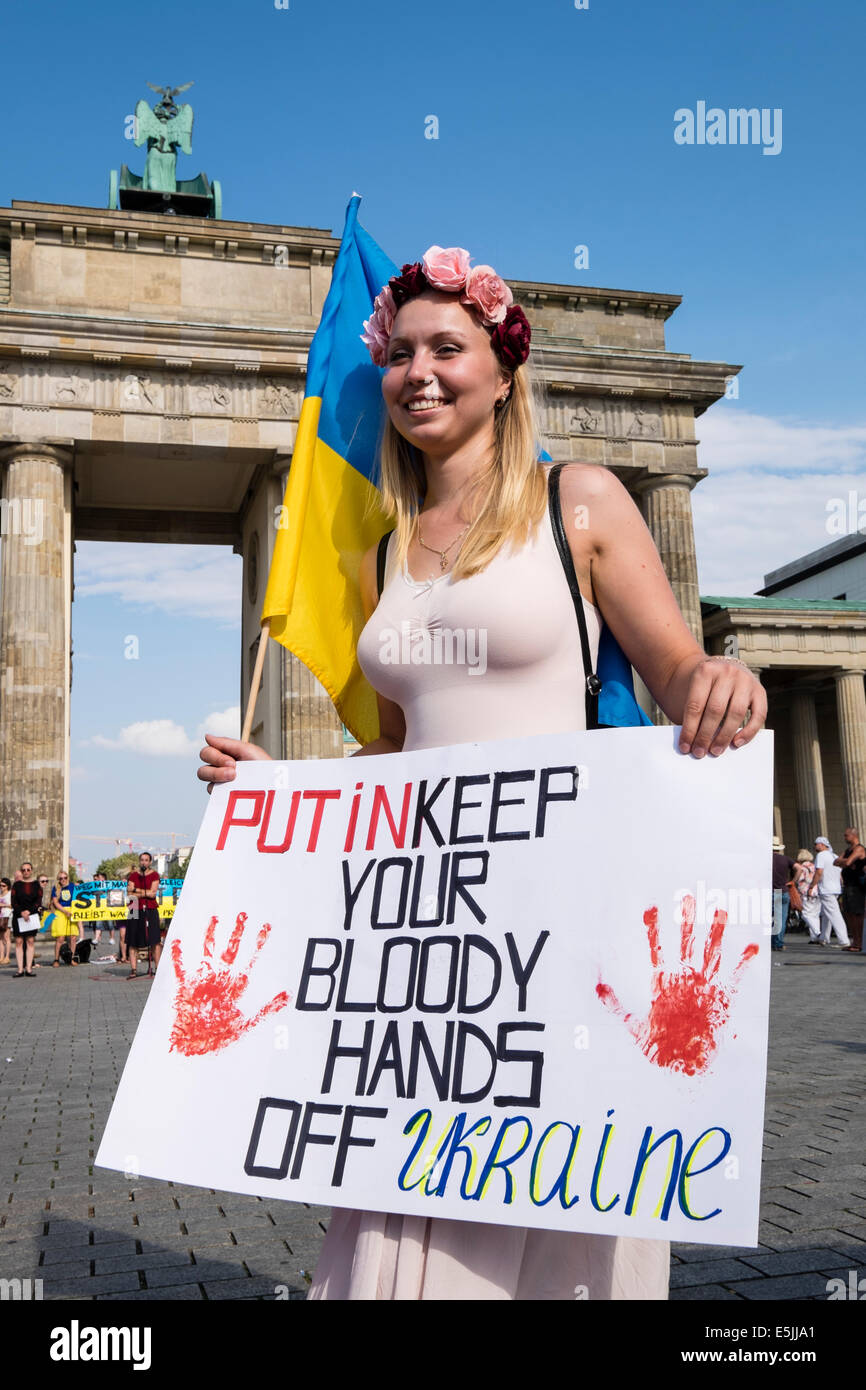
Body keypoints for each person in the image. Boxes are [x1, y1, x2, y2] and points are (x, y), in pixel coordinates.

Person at [195, 246, 768, 1301]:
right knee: (415, 1195)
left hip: (553, 914)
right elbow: (401, 751)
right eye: (399, 352)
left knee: (542, 1203)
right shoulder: (383, 550)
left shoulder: (577, 503)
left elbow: (673, 666)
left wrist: (715, 681)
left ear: (502, 370)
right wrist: (278, 786)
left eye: (445, 348)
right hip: (425, 935)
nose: (417, 371)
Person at [125, 851, 162, 978]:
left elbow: (153, 894)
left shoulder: (155, 875)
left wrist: (137, 890)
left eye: (146, 860)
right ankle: (134, 969)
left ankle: (157, 968)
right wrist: (141, 892)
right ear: (139, 861)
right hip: (134, 906)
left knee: (154, 939)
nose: (144, 862)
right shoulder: (133, 875)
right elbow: (130, 893)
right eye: (142, 860)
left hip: (150, 907)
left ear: (150, 862)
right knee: (132, 939)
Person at [812, 836, 850, 947]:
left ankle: (844, 940)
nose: (815, 846)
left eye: (816, 844)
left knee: (834, 914)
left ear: (823, 845)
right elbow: (840, 874)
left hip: (826, 889)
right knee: (826, 914)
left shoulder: (821, 855)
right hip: (835, 889)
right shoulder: (834, 856)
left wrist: (811, 886)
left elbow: (819, 872)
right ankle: (824, 937)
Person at [836, 828, 866, 953]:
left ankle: (859, 943)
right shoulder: (848, 850)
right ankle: (855, 941)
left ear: (854, 835)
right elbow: (835, 861)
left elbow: (847, 862)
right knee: (848, 913)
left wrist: (845, 862)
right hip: (848, 885)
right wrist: (844, 862)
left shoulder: (859, 849)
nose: (844, 837)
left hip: (857, 886)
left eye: (846, 835)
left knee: (856, 915)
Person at [11, 861, 42, 976]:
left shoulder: (36, 884)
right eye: (23, 870)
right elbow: (13, 901)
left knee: (30, 941)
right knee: (19, 942)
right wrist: (22, 912)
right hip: (18, 916)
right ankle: (20, 969)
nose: (26, 872)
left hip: (32, 915)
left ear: (31, 870)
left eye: (28, 869)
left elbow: (39, 900)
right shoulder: (16, 885)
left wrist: (29, 911)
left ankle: (29, 968)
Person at [771, 836, 798, 952]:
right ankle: (779, 943)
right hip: (783, 890)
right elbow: (799, 868)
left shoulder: (766, 859)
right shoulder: (786, 859)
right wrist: (793, 881)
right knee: (781, 919)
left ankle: (773, 943)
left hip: (771, 891)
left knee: (772, 919)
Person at [50, 871, 81, 966]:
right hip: (61, 911)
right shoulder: (56, 888)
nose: (63, 880)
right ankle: (56, 959)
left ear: (68, 878)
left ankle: (71, 958)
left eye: (65, 878)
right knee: (60, 937)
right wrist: (65, 911)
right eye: (61, 878)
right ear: (58, 880)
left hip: (72, 911)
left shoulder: (73, 887)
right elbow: (55, 902)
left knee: (73, 937)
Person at [796, 850, 822, 943]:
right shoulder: (814, 866)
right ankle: (814, 938)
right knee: (815, 915)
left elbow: (800, 880)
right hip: (817, 891)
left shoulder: (802, 867)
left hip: (806, 892)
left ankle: (818, 932)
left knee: (805, 914)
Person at [0, 877, 12, 965]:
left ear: (7, 886)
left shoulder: (10, 894)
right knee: (0, 938)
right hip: (0, 916)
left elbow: (13, 905)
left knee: (7, 937)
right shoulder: (0, 894)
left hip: (8, 916)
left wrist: (3, 905)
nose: (1, 887)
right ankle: (1, 956)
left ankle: (7, 957)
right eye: (0, 885)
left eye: (3, 886)